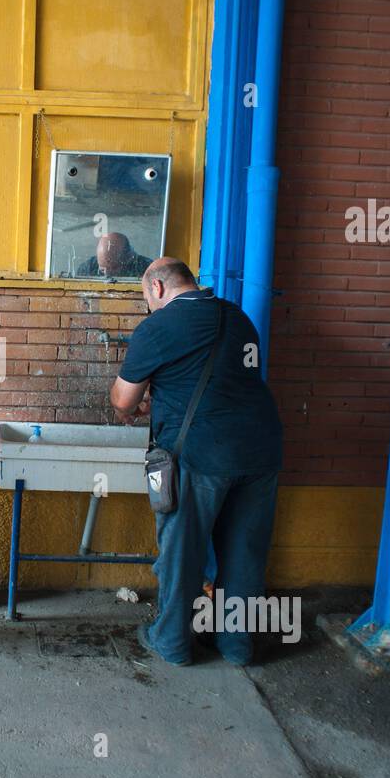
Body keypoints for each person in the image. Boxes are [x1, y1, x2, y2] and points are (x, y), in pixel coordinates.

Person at [109, 258, 283, 666]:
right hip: (262, 451)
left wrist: (142, 403)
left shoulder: (158, 327)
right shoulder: (239, 319)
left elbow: (122, 400)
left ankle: (170, 641)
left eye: (145, 299)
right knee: (244, 554)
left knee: (182, 552)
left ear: (157, 288)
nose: (148, 308)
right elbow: (235, 380)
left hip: (202, 456)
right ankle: (237, 646)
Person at [74, 232, 152, 279]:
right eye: (102, 269)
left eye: (114, 268)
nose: (107, 274)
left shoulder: (147, 270)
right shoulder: (87, 270)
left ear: (128, 260)